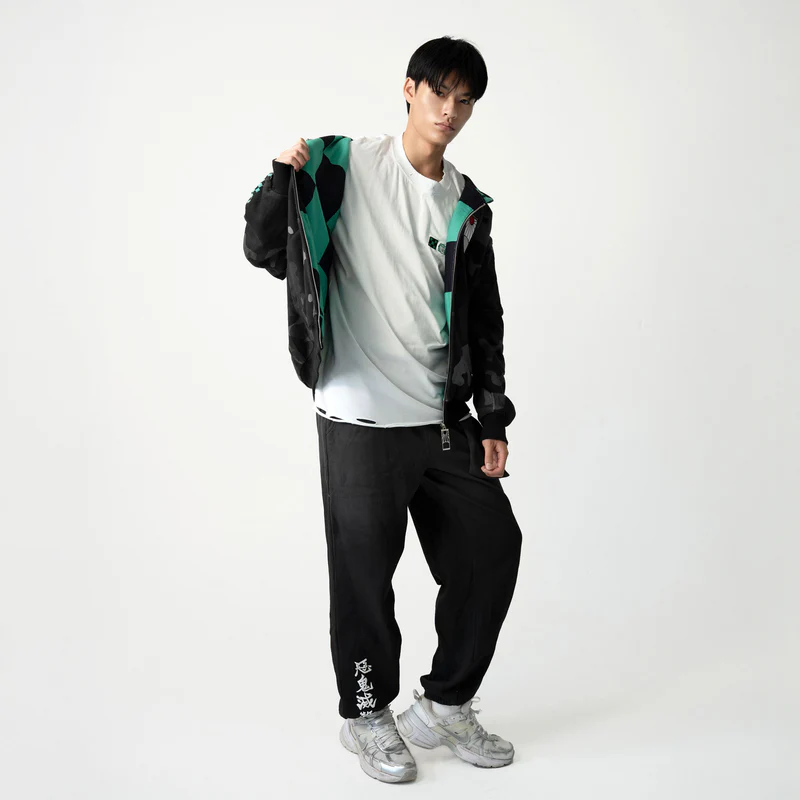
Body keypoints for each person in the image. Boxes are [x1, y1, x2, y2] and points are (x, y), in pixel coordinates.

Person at [242, 35, 523, 784]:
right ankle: (367, 715)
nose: (450, 110)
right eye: (439, 92)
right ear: (409, 89)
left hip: (441, 418)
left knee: (492, 548)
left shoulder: (467, 205)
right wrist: (279, 178)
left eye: (464, 100)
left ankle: (444, 705)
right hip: (359, 416)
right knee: (365, 578)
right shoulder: (342, 165)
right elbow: (264, 249)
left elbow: (484, 319)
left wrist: (491, 416)